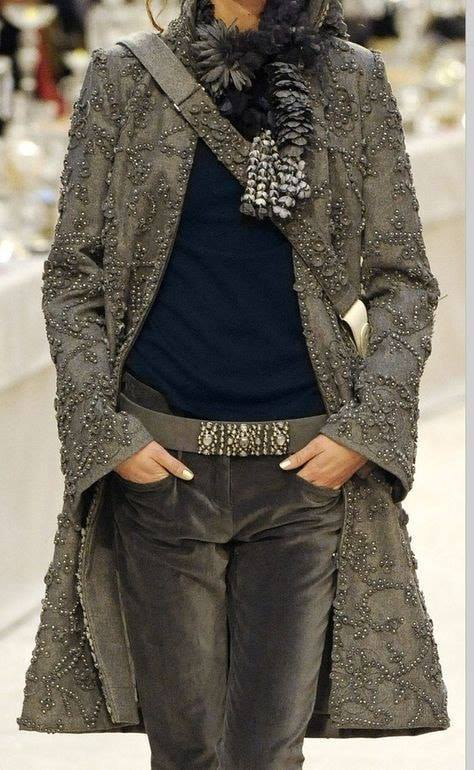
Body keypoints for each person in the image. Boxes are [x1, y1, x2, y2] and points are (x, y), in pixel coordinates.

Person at [17, 0, 450, 767]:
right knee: (185, 752)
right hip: (164, 471)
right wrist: (108, 436)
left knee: (266, 754)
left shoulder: (351, 80)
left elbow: (403, 280)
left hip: (303, 474)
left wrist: (364, 432)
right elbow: (73, 274)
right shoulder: (126, 77)